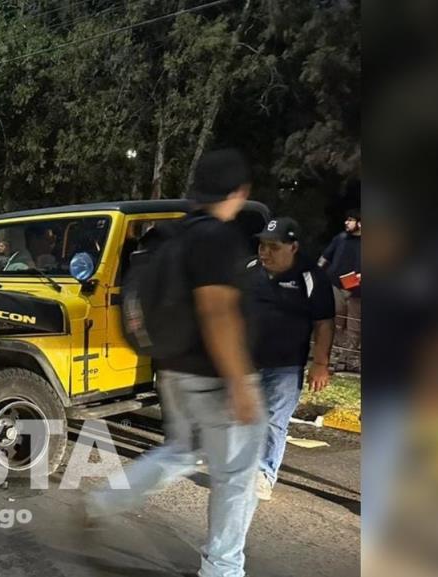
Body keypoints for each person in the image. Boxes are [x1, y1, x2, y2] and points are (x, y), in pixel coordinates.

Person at [85, 149, 266, 577]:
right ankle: (223, 569)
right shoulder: (218, 238)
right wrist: (240, 382)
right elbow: (217, 312)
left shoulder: (172, 234)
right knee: (236, 477)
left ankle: (105, 500)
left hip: (173, 371)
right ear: (239, 192)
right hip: (215, 377)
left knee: (182, 452)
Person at [248, 217, 335, 500]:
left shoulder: (311, 277)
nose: (265, 252)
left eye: (273, 247)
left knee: (274, 421)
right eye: (262, 245)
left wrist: (320, 363)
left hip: (285, 365)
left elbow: (324, 322)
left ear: (293, 247)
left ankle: (263, 474)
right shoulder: (249, 271)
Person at [318, 209, 361, 371]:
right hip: (336, 285)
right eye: (347, 219)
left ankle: (348, 359)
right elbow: (325, 257)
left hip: (358, 292)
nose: (346, 223)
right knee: (336, 322)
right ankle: (334, 356)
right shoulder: (340, 238)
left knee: (354, 327)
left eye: (350, 220)